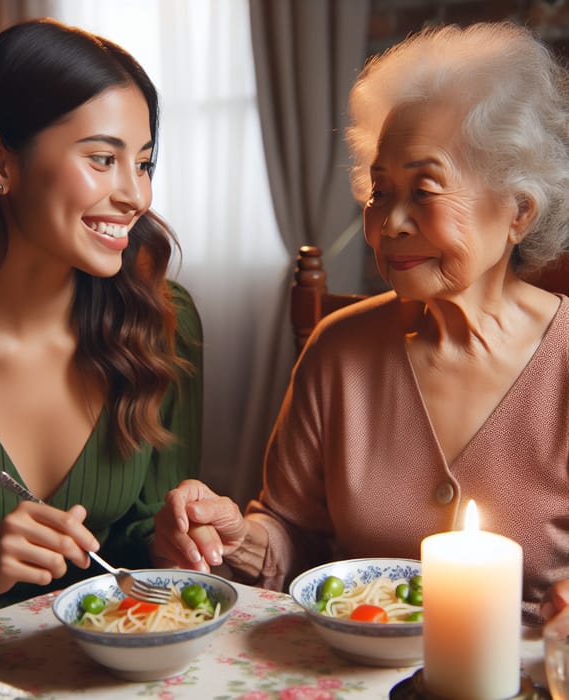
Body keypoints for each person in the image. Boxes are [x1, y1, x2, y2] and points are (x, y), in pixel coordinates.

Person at [153, 20, 569, 626]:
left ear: (517, 211)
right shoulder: (339, 349)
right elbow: (293, 533)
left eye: (424, 189)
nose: (390, 222)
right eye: (379, 190)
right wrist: (235, 534)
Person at [0, 18, 202, 650]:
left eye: (144, 162)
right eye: (103, 159)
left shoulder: (164, 326)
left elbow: (143, 560)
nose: (135, 194)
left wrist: (175, 533)